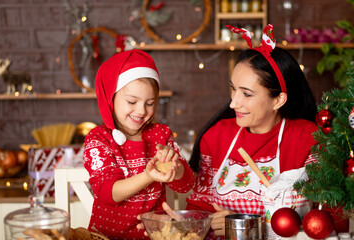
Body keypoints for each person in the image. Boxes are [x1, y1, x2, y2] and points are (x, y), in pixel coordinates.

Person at [186, 24, 318, 239]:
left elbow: (328, 215)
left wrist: (241, 225)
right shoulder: (217, 136)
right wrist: (208, 222)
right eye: (233, 89)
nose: (233, 103)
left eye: (247, 94)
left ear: (278, 100)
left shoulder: (307, 138)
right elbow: (199, 205)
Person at [83, 49, 195, 239]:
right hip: (107, 236)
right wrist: (148, 176)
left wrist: (174, 168)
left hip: (154, 235)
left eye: (150, 103)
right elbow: (107, 193)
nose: (141, 110)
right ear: (111, 98)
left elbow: (186, 185)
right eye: (132, 101)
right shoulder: (99, 139)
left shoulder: (161, 134)